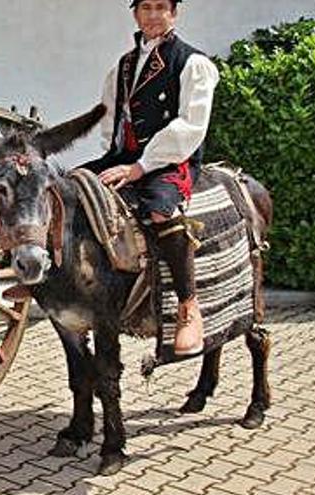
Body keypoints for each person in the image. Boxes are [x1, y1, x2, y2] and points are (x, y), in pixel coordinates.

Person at [82, 0, 219, 356]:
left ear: (174, 13)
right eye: (147, 7)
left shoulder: (193, 63)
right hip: (125, 158)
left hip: (170, 161)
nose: (154, 15)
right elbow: (111, 117)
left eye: (162, 7)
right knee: (73, 186)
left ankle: (189, 307)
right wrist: (114, 160)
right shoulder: (123, 66)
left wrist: (141, 167)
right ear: (135, 14)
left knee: (161, 211)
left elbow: (190, 126)